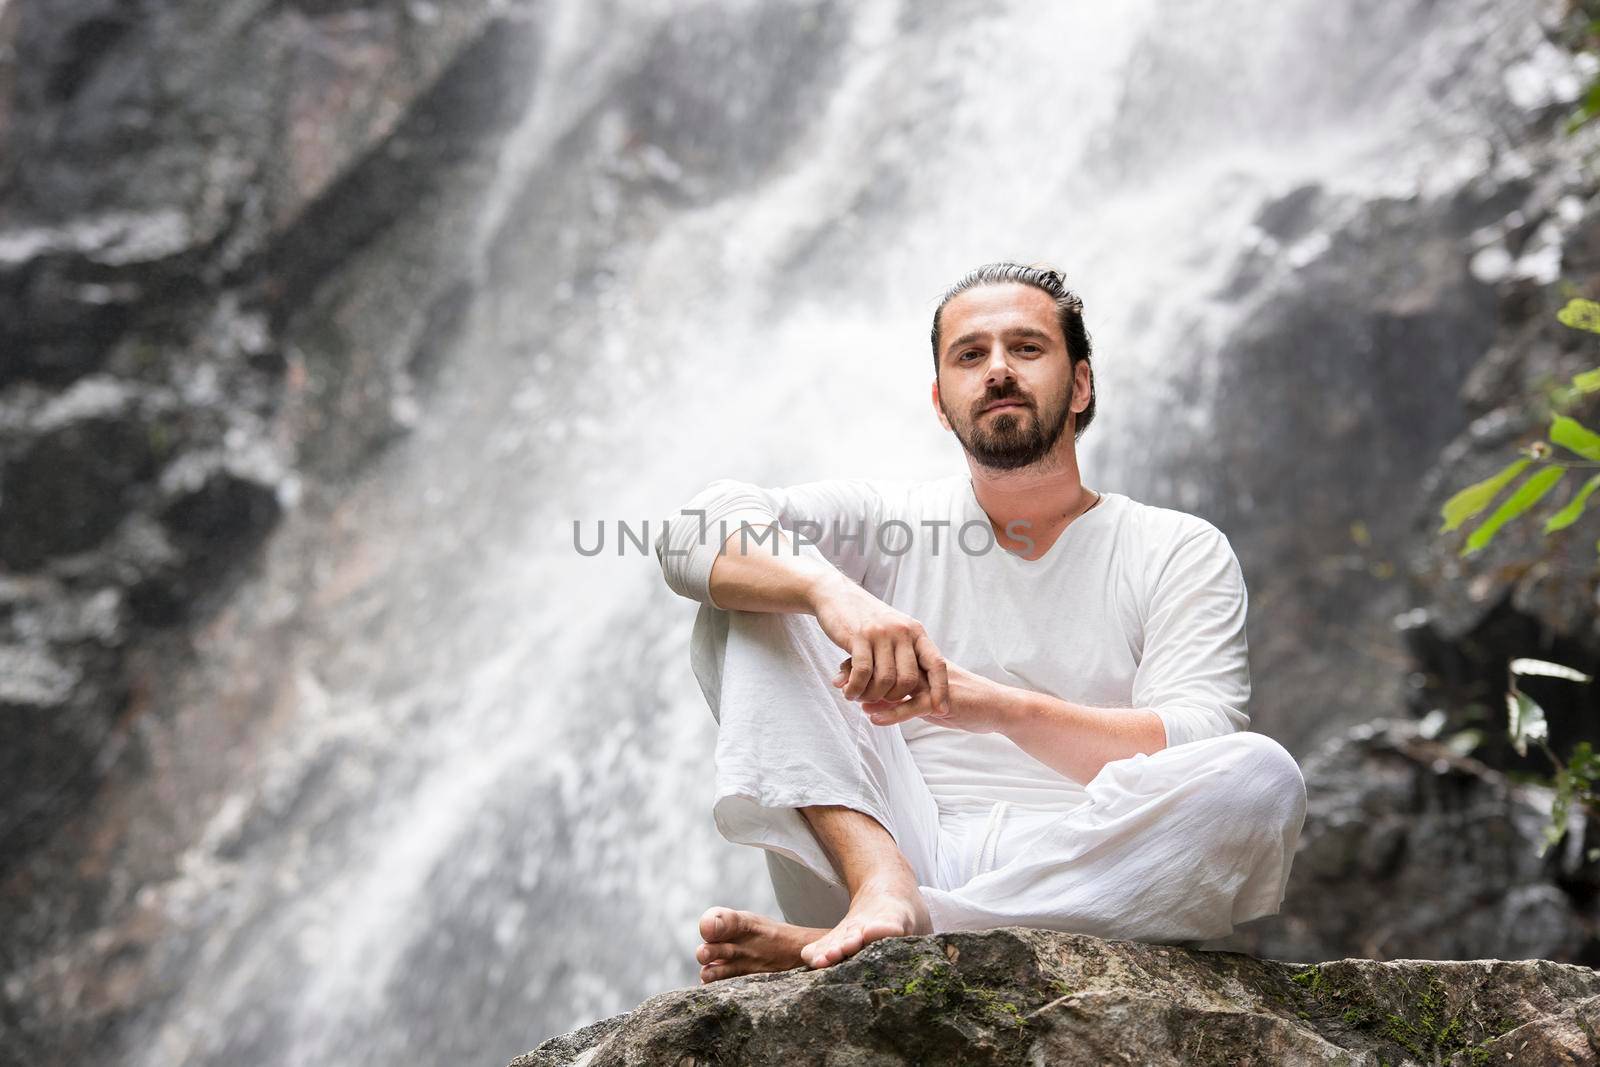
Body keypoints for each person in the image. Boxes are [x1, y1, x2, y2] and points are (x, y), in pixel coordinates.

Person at [653, 262, 1307, 985]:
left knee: (1263, 775)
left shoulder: (1176, 547)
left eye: (1026, 348)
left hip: (1089, 858)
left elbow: (1202, 737)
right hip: (891, 843)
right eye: (971, 354)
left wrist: (989, 706)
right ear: (941, 401)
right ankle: (884, 886)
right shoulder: (891, 521)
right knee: (749, 601)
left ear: (1081, 383)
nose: (998, 369)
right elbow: (693, 530)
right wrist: (831, 592)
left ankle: (924, 923)